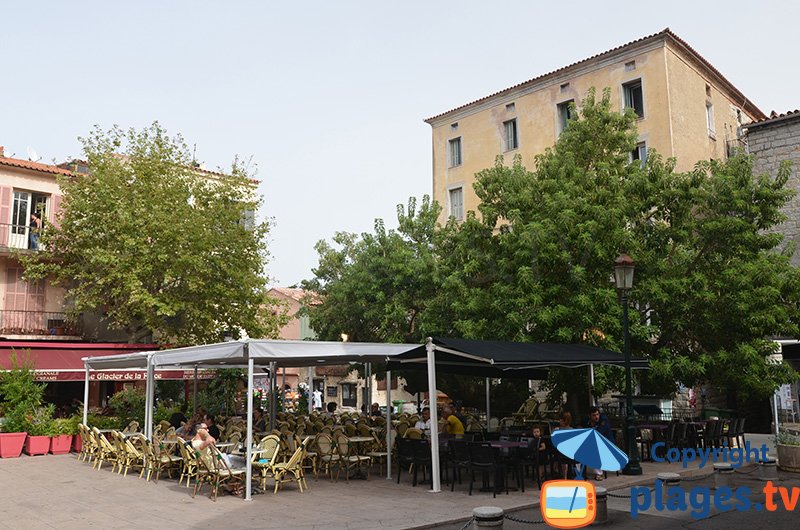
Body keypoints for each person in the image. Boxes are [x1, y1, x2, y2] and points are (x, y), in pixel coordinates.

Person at [583, 406, 613, 481]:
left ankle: (599, 474)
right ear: (589, 416)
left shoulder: (603, 421)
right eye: (594, 415)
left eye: (597, 414)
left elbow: (598, 434)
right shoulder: (587, 421)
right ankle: (579, 472)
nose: (596, 417)